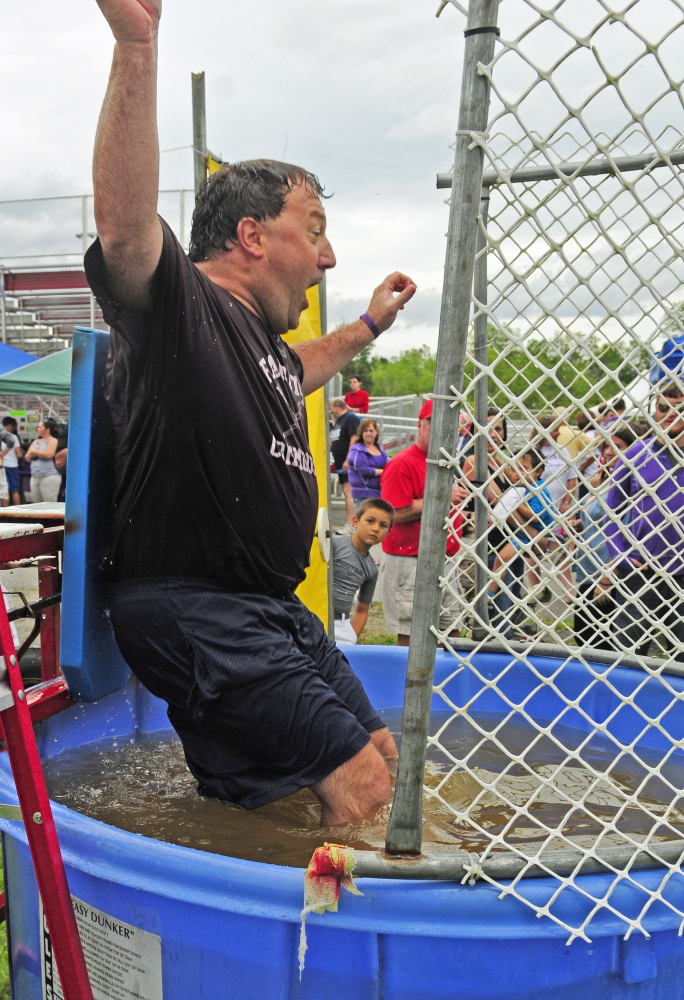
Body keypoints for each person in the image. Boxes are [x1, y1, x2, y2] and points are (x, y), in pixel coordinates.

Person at [87, 0, 418, 827]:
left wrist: (369, 325)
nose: (330, 256)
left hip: (264, 610)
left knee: (379, 762)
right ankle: (362, 944)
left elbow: (300, 367)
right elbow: (125, 227)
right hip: (196, 606)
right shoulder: (182, 310)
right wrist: (137, 46)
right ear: (251, 236)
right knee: (366, 790)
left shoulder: (262, 352)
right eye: (316, 232)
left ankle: (241, 858)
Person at [602, 381, 684, 660]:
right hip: (641, 574)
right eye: (664, 407)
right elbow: (610, 514)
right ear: (653, 410)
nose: (672, 413)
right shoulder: (635, 455)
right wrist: (619, 554)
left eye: (680, 407)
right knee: (627, 657)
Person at [380, 399, 467, 645]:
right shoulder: (403, 463)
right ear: (420, 425)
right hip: (410, 561)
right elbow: (393, 513)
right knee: (412, 637)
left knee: (451, 633)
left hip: (444, 559)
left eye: (448, 423)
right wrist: (440, 498)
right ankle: (408, 685)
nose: (441, 428)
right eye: (433, 422)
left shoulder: (445, 462)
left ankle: (442, 684)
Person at [570, 422, 638, 649]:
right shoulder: (600, 481)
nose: (608, 451)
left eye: (617, 446)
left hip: (610, 577)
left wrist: (607, 578)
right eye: (605, 446)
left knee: (604, 646)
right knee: (583, 639)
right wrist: (580, 523)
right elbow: (597, 518)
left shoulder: (633, 487)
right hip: (587, 572)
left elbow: (630, 535)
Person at [487, 449, 557, 597]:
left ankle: (538, 588)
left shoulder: (539, 490)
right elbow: (507, 471)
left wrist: (516, 504)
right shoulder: (522, 488)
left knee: (520, 559)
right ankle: (490, 593)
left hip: (534, 534)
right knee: (502, 558)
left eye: (524, 469)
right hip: (520, 534)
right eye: (515, 468)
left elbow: (536, 516)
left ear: (537, 472)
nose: (518, 473)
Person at [332, 499, 394, 645]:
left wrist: (351, 636)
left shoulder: (371, 569)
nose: (376, 529)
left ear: (388, 532)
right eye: (370, 521)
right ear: (356, 521)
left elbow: (362, 610)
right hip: (312, 617)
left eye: (383, 525)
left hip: (340, 625)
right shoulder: (333, 544)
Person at [329, 398, 361, 531]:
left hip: (348, 463)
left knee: (349, 491)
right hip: (339, 462)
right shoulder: (338, 422)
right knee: (346, 490)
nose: (330, 411)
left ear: (338, 406)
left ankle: (352, 524)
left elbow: (354, 437)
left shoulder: (350, 418)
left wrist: (349, 458)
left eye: (331, 407)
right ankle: (350, 523)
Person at [348, 418, 388, 504]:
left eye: (371, 430)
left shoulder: (380, 449)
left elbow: (387, 465)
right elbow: (364, 470)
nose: (368, 433)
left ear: (376, 432)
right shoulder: (357, 450)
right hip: (363, 495)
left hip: (380, 493)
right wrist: (384, 472)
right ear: (361, 433)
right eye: (365, 431)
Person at [25, 420, 61, 503]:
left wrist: (35, 452)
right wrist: (36, 453)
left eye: (40, 427)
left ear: (47, 430)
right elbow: (27, 456)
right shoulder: (36, 441)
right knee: (36, 502)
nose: (37, 429)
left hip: (49, 476)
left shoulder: (53, 440)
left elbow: (49, 454)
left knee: (49, 502)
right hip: (35, 476)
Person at [1, 417, 22, 506]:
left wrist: (2, 455)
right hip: (13, 465)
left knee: (4, 490)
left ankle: (5, 512)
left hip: (3, 465)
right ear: (10, 426)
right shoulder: (13, 437)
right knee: (14, 490)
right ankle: (16, 511)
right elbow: (19, 453)